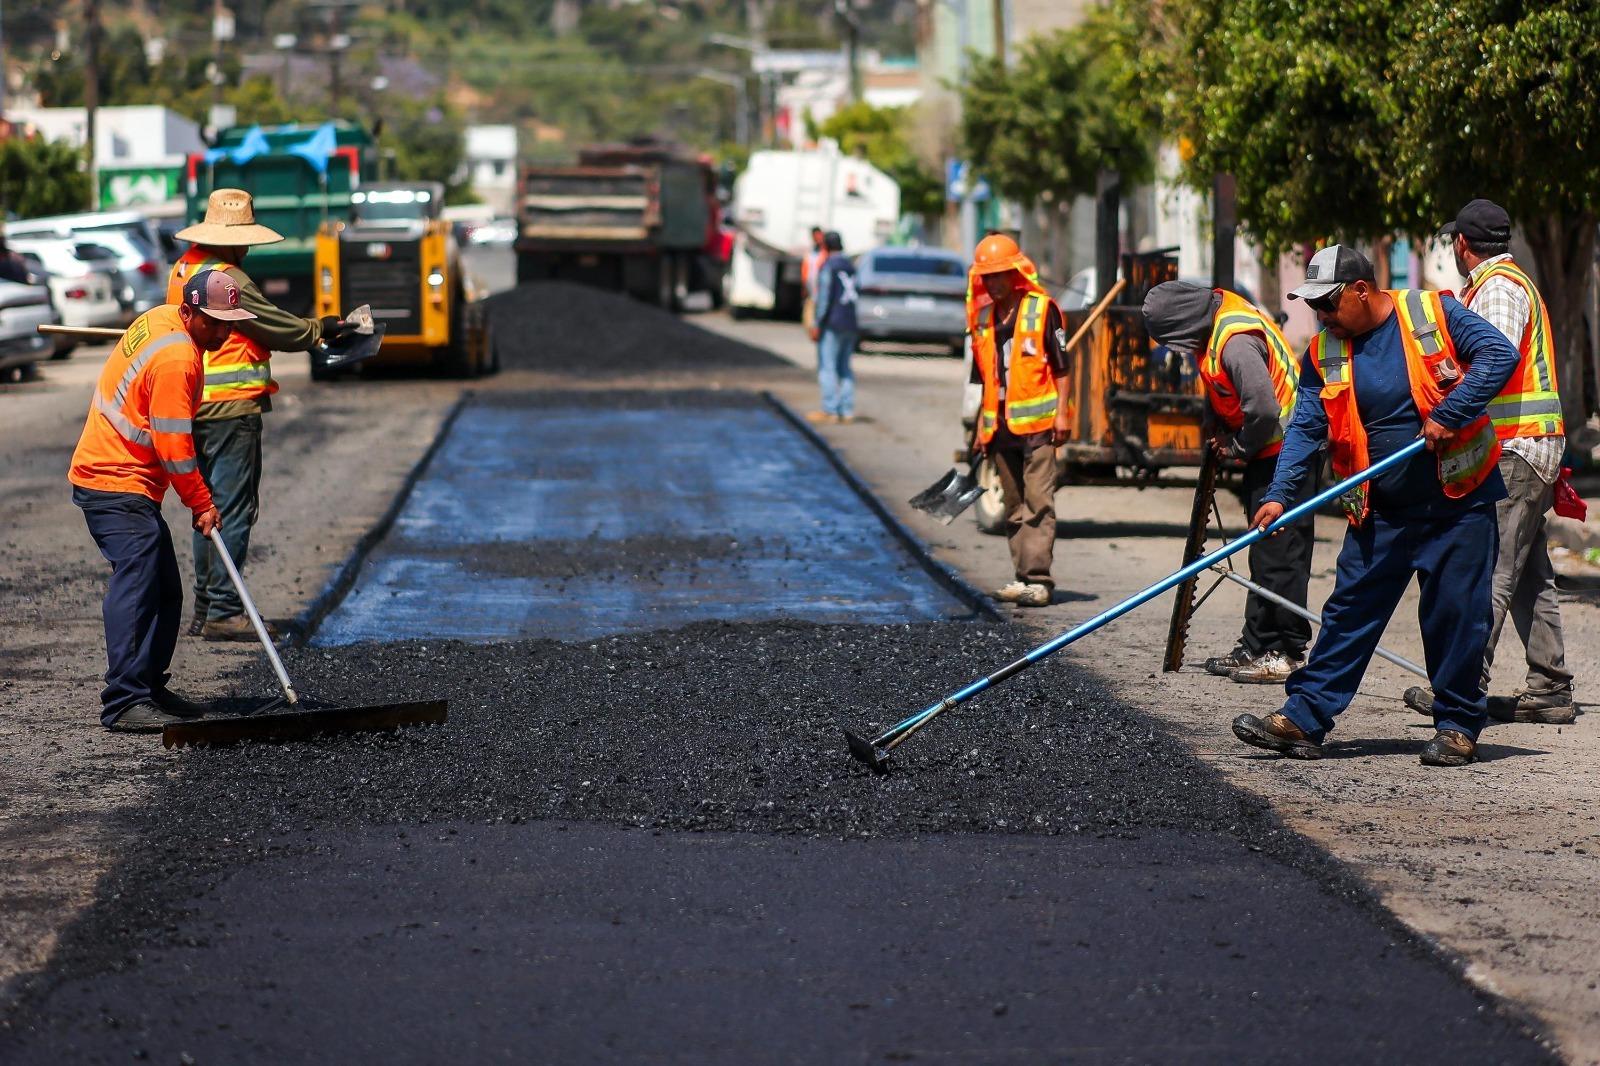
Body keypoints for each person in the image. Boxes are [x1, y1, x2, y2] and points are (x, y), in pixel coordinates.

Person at [1232, 244, 1521, 767]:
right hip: (1381, 510)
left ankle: (1457, 726)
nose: (1320, 317)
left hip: (1457, 505)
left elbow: (1499, 356)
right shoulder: (1325, 350)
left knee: (1455, 617)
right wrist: (1278, 495)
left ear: (1361, 291)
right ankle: (1304, 717)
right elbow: (1306, 427)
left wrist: (1451, 411)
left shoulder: (1433, 314)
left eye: (1328, 305)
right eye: (1314, 307)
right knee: (1348, 613)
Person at [1402, 199, 1575, 725]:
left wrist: (1447, 402)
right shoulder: (1504, 284)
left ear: (1462, 244)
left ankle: (1463, 685)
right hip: (1530, 444)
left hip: (1517, 447)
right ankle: (1549, 686)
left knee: (1492, 570)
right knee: (1528, 575)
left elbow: (1492, 360)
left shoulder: (1498, 289)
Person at [68, 270, 253, 732]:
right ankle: (124, 700)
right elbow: (174, 445)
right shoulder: (178, 359)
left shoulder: (162, 318)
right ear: (189, 312)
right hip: (113, 480)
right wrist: (202, 503)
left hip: (123, 479)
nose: (223, 332)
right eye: (215, 323)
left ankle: (147, 685)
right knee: (139, 582)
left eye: (229, 323)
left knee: (167, 589)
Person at [168, 188, 355, 641]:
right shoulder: (227, 276)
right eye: (246, 239)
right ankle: (226, 612)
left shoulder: (185, 267)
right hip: (231, 406)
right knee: (232, 508)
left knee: (206, 508)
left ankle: (206, 604)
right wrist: (320, 329)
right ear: (233, 238)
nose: (249, 248)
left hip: (193, 401)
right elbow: (269, 323)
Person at [1143, 281, 1312, 684]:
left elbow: (1265, 409)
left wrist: (1236, 447)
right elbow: (1221, 390)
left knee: (1281, 553)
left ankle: (1285, 651)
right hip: (1268, 451)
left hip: (1289, 451)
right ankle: (1256, 644)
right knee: (1261, 551)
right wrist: (1214, 424)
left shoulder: (1234, 339)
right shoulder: (1212, 326)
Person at [967, 234, 1071, 608]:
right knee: (1012, 507)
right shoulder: (984, 320)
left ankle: (1039, 580)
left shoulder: (1043, 310)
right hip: (1000, 430)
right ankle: (1020, 575)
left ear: (1014, 274)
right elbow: (984, 379)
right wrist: (981, 427)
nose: (993, 284)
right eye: (987, 278)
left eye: (999, 276)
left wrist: (1063, 413)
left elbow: (1062, 367)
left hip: (1039, 428)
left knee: (1038, 503)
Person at [807, 231, 859, 423]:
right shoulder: (851, 266)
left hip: (832, 322)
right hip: (850, 321)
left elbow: (824, 297)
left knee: (827, 367)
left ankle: (830, 409)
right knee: (844, 367)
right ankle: (846, 410)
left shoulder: (829, 266)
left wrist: (817, 322)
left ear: (825, 247)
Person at [800, 226, 827, 334]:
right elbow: (806, 271)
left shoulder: (826, 252)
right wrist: (804, 286)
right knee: (808, 316)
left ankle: (818, 331)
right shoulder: (811, 253)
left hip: (822, 291)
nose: (817, 238)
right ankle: (813, 332)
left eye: (819, 235)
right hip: (811, 290)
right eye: (815, 236)